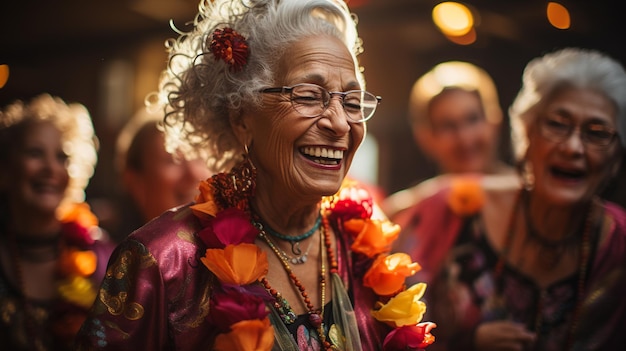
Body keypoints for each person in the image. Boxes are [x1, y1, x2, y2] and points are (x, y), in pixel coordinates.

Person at [75, 1, 436, 350]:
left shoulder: (362, 245)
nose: (340, 123)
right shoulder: (163, 261)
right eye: (309, 96)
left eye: (353, 102)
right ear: (242, 118)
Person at [391, 47, 626, 350]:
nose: (573, 147)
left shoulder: (619, 246)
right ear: (526, 134)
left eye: (597, 132)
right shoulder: (438, 207)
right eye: (557, 124)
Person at [0, 93, 116, 350]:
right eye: (35, 153)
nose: (51, 168)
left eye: (62, 157)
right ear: (5, 168)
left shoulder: (104, 257)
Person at [382, 61, 515, 219]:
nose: (465, 139)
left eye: (473, 119)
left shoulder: (529, 198)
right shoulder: (405, 213)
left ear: (494, 122)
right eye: (448, 126)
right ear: (425, 138)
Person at [112, 106, 211, 242]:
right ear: (135, 182)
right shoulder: (107, 258)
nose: (194, 174)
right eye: (173, 160)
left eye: (200, 157)